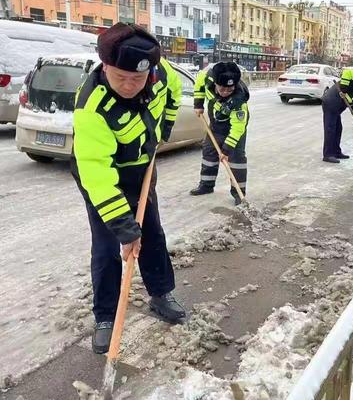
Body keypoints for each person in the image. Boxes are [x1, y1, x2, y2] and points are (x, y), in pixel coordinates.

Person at [71, 22, 186, 354]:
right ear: (105, 65)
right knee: (107, 245)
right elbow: (96, 171)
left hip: (141, 169)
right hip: (102, 176)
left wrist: (163, 128)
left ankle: (161, 293)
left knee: (152, 231)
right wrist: (124, 227)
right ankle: (106, 315)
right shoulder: (92, 106)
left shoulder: (158, 74)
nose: (129, 85)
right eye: (120, 77)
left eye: (137, 79)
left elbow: (174, 91)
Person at [190, 61, 249, 205]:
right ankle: (206, 185)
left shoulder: (239, 101)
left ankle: (238, 193)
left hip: (233, 130)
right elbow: (199, 84)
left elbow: (238, 128)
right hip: (215, 126)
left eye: (230, 89)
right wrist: (198, 104)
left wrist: (226, 150)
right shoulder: (208, 77)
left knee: (236, 161)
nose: (226, 92)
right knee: (209, 154)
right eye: (222, 89)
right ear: (215, 83)